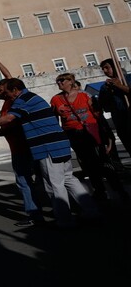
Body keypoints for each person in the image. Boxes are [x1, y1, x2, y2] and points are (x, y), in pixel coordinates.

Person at [0, 78, 100, 229]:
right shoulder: (31, 97)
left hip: (47, 146)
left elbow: (10, 118)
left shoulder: (23, 100)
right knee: (69, 179)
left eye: (7, 92)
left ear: (15, 90)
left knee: (54, 185)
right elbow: (13, 125)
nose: (6, 95)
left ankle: (65, 220)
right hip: (59, 143)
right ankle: (91, 211)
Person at [0, 52, 45, 226]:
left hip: (23, 147)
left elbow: (9, 78)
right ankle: (43, 212)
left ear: (10, 90)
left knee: (25, 181)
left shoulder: (14, 100)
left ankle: (36, 215)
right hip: (18, 146)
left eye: (0, 89)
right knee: (34, 181)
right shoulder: (7, 103)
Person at [50, 72, 129, 202]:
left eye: (62, 80)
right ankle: (100, 191)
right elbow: (54, 119)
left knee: (104, 162)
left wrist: (108, 136)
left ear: (71, 81)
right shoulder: (55, 100)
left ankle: (119, 190)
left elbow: (98, 116)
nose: (59, 83)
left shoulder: (85, 95)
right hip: (73, 134)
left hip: (91, 132)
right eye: (57, 81)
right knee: (88, 164)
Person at [98, 58, 131, 156]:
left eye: (107, 67)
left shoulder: (128, 78)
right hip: (120, 119)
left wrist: (119, 86)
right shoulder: (105, 87)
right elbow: (103, 105)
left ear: (116, 66)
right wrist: (108, 91)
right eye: (103, 69)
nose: (105, 71)